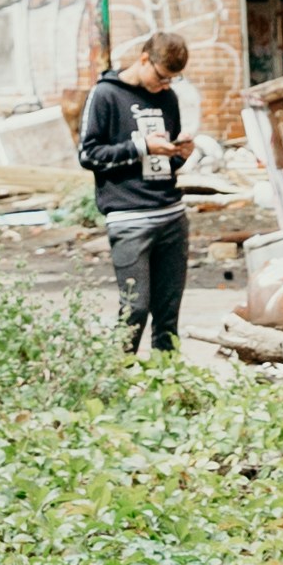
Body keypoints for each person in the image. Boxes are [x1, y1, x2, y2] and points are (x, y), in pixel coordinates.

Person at [79, 25, 197, 353]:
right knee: (135, 309)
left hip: (171, 215)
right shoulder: (105, 95)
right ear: (144, 59)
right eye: (161, 77)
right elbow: (88, 155)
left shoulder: (167, 98)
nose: (165, 85)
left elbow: (161, 165)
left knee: (168, 315)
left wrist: (179, 155)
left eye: (172, 80)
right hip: (129, 218)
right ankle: (120, 381)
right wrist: (141, 146)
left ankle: (169, 389)